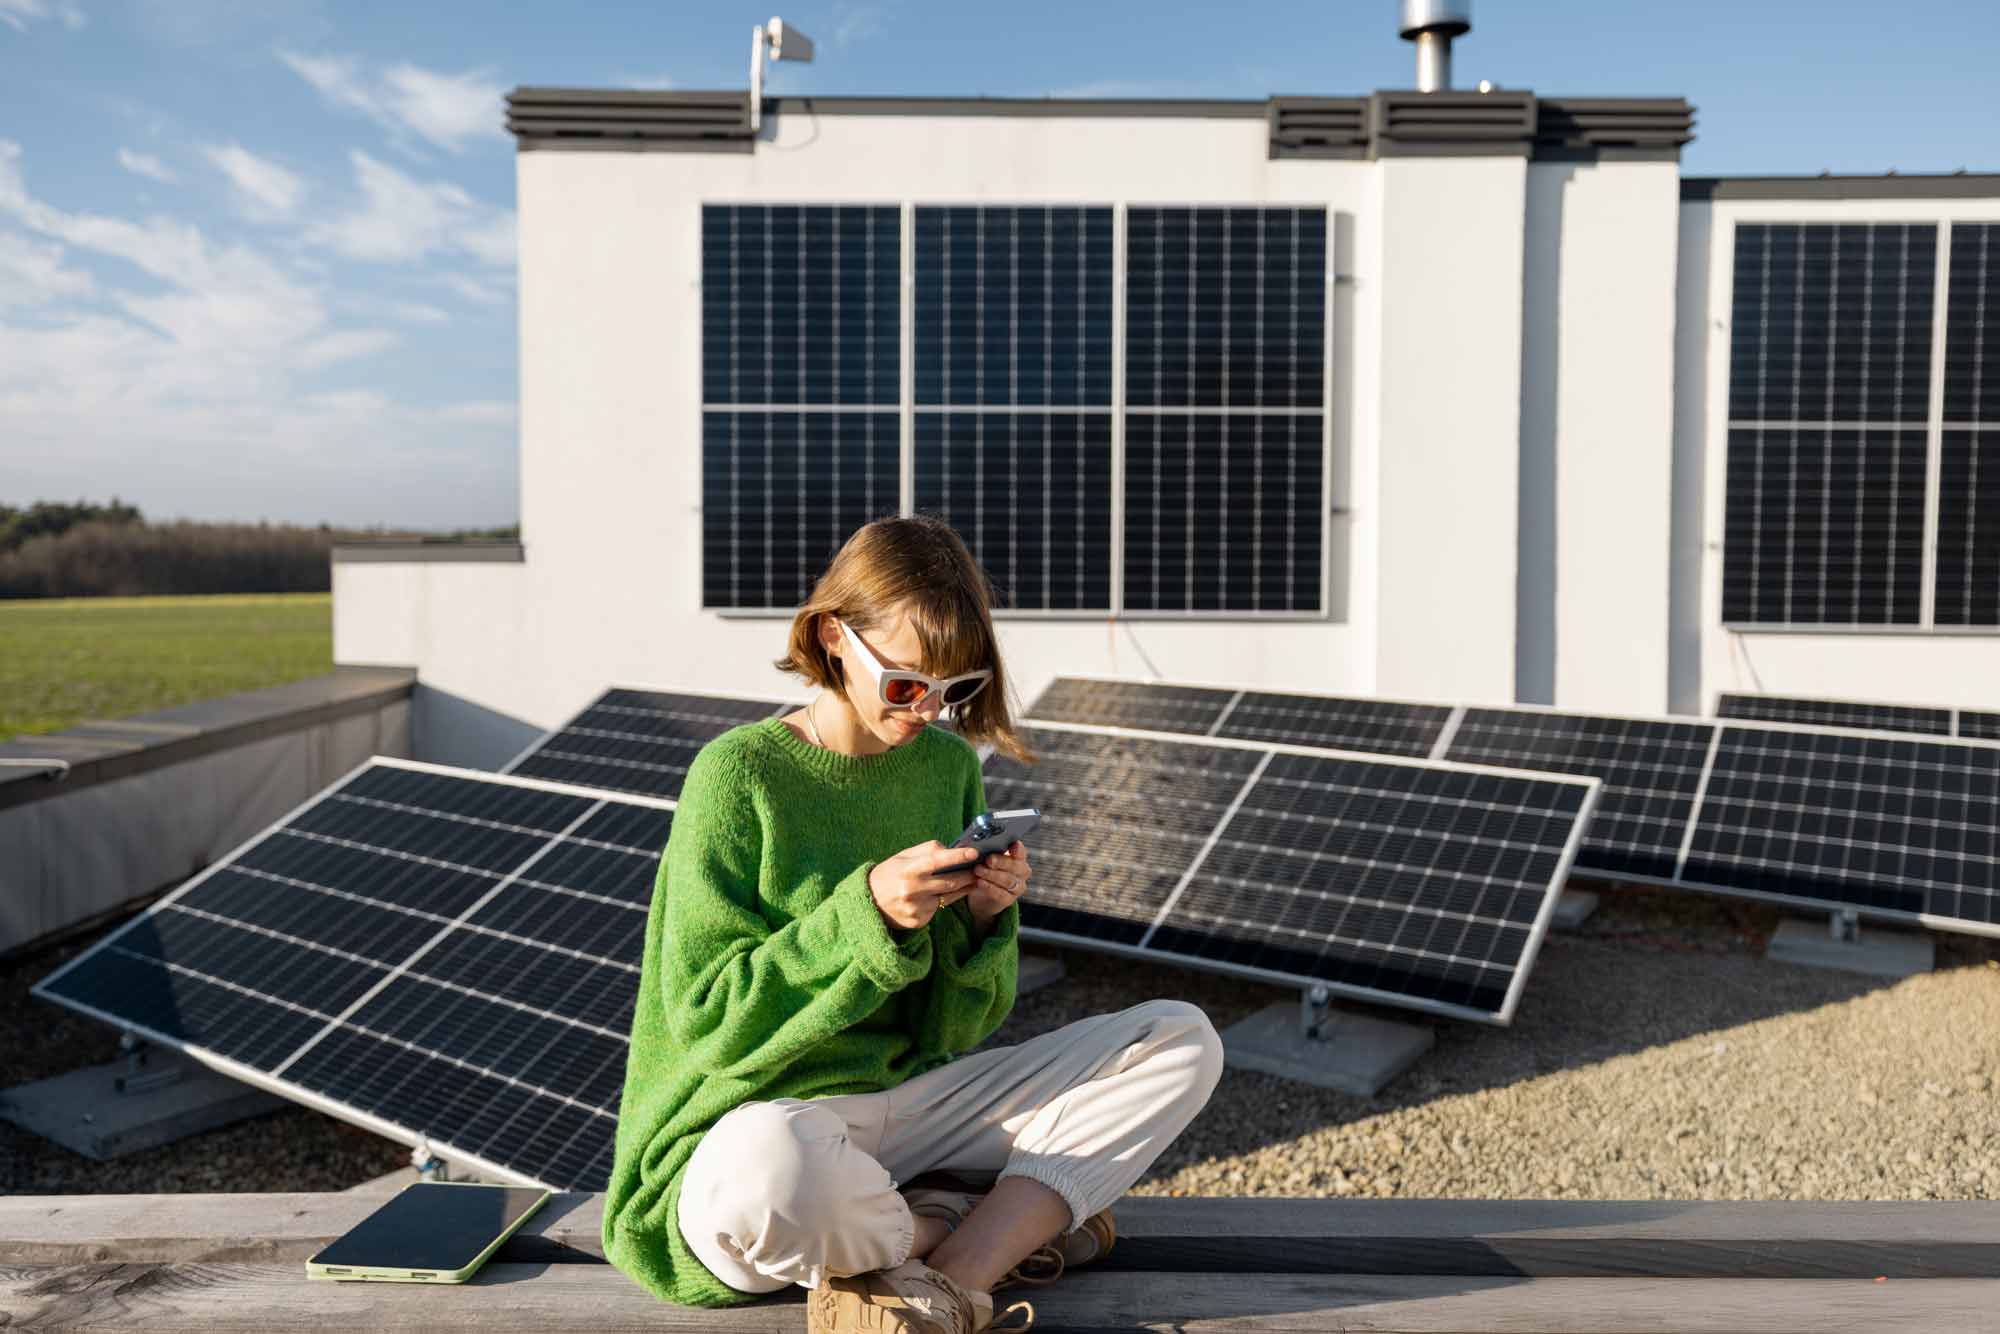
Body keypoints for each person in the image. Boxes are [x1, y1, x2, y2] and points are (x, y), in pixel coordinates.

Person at [601, 515, 1225, 1334]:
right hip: (758, 1115)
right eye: (906, 686)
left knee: (1181, 1037)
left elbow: (957, 1029)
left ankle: (951, 1278)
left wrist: (979, 920)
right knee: (768, 1171)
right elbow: (708, 1022)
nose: (928, 712)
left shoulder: (946, 768)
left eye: (954, 690)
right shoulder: (738, 777)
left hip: (907, 1110)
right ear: (833, 638)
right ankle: (950, 1225)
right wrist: (866, 914)